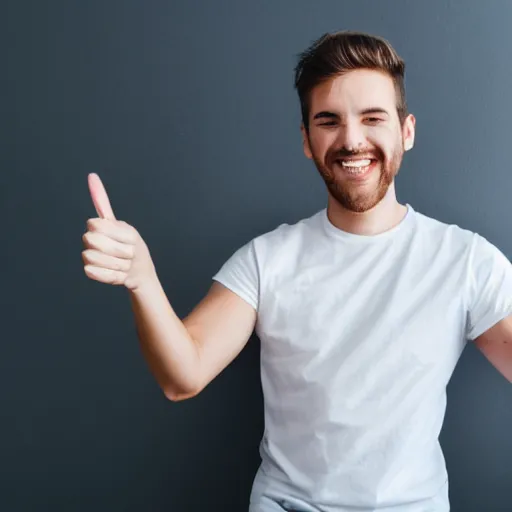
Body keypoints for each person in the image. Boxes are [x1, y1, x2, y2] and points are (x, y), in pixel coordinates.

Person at [82, 31, 512, 512]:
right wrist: (141, 277)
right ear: (307, 140)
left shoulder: (466, 260)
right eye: (329, 121)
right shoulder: (267, 260)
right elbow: (183, 376)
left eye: (372, 118)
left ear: (405, 131)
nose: (351, 140)